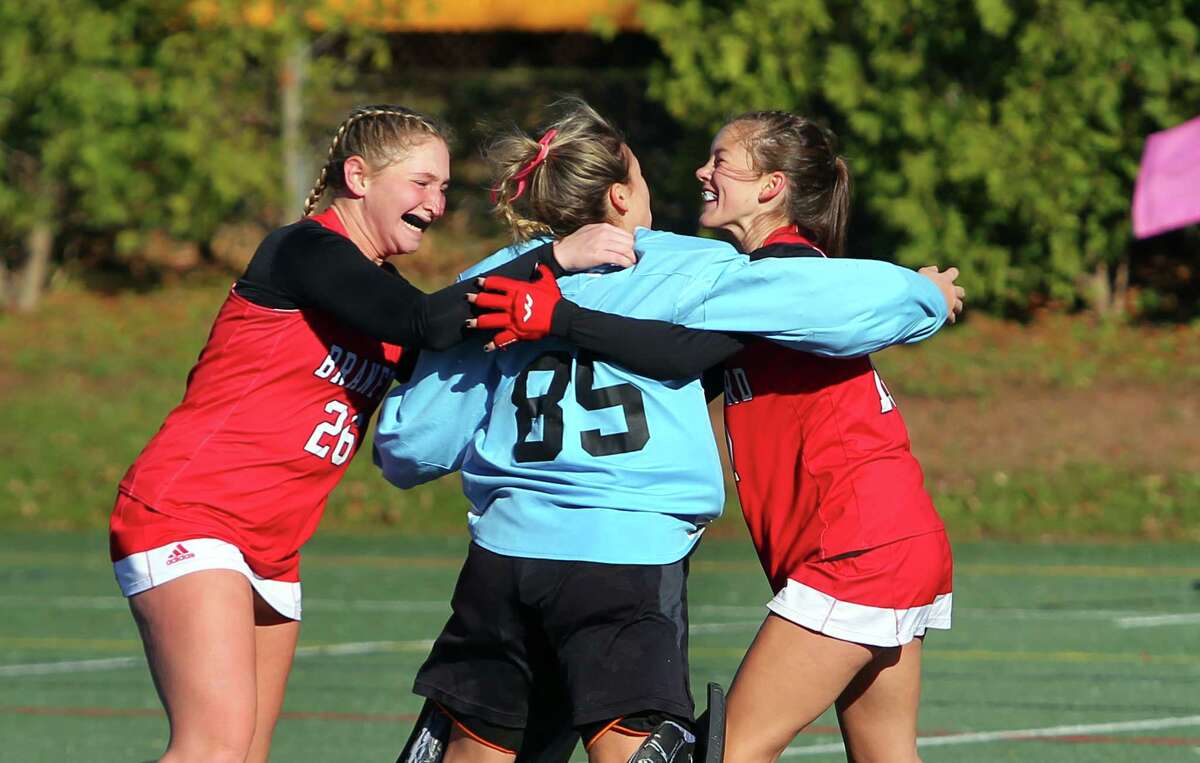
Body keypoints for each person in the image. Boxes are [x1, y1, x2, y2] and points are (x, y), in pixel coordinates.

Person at [373, 99, 962, 763]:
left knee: (721, 750)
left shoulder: (494, 279)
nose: (698, 172)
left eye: (719, 161)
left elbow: (410, 447)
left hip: (520, 554)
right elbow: (838, 310)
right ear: (622, 195)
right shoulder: (700, 272)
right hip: (644, 553)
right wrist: (923, 297)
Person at [107, 104, 632, 763]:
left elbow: (450, 345)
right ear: (358, 176)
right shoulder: (303, 250)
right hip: (191, 511)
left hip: (271, 543)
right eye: (420, 183)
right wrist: (554, 256)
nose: (435, 203)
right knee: (211, 748)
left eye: (442, 187)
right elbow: (423, 321)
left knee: (243, 754)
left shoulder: (377, 284)